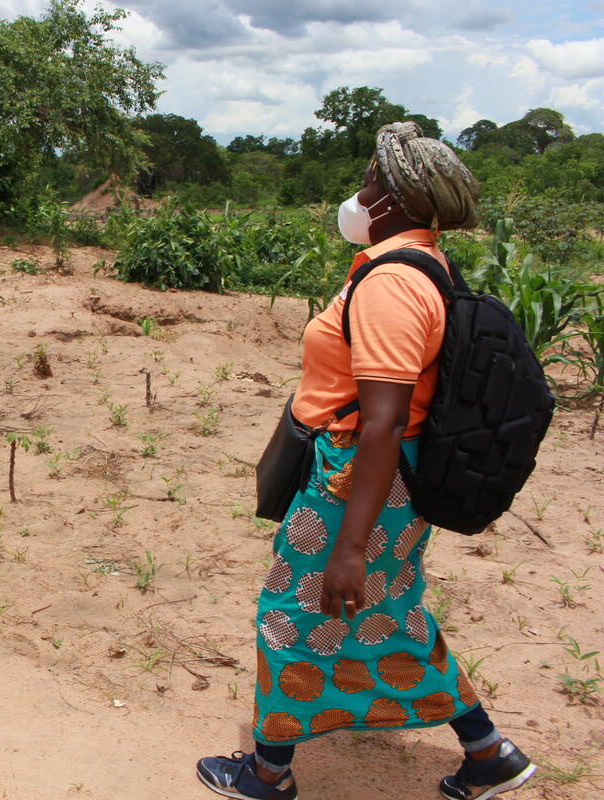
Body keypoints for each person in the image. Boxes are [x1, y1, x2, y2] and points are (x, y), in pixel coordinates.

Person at [196, 122, 534, 800]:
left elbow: (380, 422)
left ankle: (267, 773)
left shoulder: (391, 285)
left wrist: (349, 544)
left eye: (374, 179)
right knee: (391, 609)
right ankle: (488, 753)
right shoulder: (421, 263)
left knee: (291, 613)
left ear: (400, 198)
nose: (363, 191)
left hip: (358, 478)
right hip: (386, 479)